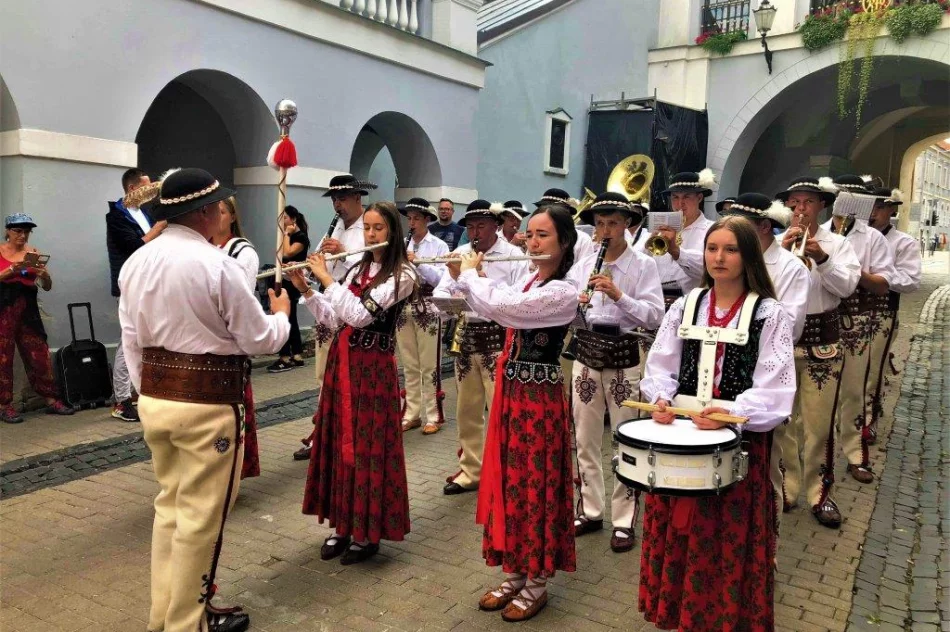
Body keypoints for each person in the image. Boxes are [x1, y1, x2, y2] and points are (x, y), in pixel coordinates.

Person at [119, 168, 291, 632]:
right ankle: (186, 623)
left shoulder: (137, 262)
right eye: (218, 205)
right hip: (209, 406)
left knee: (170, 512)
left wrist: (147, 393)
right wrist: (283, 317)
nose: (221, 212)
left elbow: (130, 341)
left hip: (156, 400)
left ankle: (167, 616)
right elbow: (258, 339)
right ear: (203, 212)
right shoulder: (218, 265)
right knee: (200, 521)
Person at [638, 216, 796, 631]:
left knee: (724, 534)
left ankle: (724, 619)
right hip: (682, 438)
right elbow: (661, 364)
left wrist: (733, 416)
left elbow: (775, 384)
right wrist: (660, 400)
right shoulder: (685, 305)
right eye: (712, 248)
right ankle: (681, 615)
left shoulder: (768, 313)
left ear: (748, 257)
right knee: (681, 532)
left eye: (730, 249)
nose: (719, 258)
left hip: (736, 441)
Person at [447, 205, 578, 623]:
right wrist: (464, 278)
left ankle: (537, 580)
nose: (531, 242)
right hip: (513, 394)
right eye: (530, 235)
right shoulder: (530, 278)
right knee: (512, 483)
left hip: (538, 401)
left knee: (535, 484)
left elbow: (508, 310)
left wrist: (472, 275)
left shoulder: (565, 290)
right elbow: (493, 307)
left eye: (543, 236)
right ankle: (516, 569)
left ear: (564, 243)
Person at [292, 201, 414, 565]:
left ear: (392, 232)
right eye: (369, 228)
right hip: (343, 365)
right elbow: (334, 318)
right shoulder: (359, 268)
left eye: (379, 228)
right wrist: (307, 289)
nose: (372, 234)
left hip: (372, 372)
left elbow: (360, 316)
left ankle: (367, 531)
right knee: (338, 444)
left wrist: (327, 278)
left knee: (366, 448)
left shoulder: (401, 275)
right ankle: (342, 526)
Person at [567, 192, 664, 553]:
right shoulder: (584, 263)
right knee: (584, 437)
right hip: (587, 352)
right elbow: (570, 311)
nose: (605, 231)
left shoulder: (643, 264)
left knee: (625, 439)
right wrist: (575, 306)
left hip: (625, 353)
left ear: (628, 225)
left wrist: (618, 294)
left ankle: (624, 520)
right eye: (600, 224)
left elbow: (655, 316)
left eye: (613, 224)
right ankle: (590, 510)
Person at [720, 193, 810, 535]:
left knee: (767, 464)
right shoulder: (732, 261)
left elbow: (790, 328)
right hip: (724, 372)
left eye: (739, 227)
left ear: (762, 227)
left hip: (763, 373)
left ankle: (766, 544)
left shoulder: (790, 268)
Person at [775, 176, 860, 529]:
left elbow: (846, 287)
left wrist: (821, 258)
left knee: (819, 424)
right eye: (793, 203)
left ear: (821, 205)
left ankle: (819, 492)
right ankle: (787, 488)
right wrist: (782, 250)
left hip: (822, 342)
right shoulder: (776, 246)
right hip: (784, 341)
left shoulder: (839, 244)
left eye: (806, 203)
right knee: (784, 422)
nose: (799, 210)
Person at [434, 200, 530, 495]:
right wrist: (453, 278)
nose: (475, 232)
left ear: (496, 226)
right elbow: (439, 298)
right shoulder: (461, 253)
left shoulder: (514, 255)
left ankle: (503, 471)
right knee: (467, 409)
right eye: (471, 226)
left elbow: (518, 298)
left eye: (481, 226)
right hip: (466, 335)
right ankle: (471, 470)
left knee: (501, 408)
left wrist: (481, 281)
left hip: (499, 336)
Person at [293, 174, 371, 460]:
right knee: (323, 377)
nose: (337, 205)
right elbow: (320, 263)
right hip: (328, 306)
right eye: (335, 200)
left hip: (354, 307)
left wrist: (344, 252)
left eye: (342, 199)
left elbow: (373, 264)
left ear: (357, 198)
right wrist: (309, 268)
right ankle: (323, 434)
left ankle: (345, 436)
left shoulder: (369, 227)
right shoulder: (336, 226)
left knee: (347, 380)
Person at [825, 175, 896, 485]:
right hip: (822, 319)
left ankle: (855, 454)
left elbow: (884, 285)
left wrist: (854, 273)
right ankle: (808, 456)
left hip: (857, 319)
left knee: (853, 390)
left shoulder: (872, 238)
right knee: (814, 395)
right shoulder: (817, 233)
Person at [0, 214, 75, 423]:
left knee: (38, 352)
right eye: (17, 231)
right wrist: (12, 270)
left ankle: (51, 399)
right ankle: (4, 405)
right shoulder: (0, 251)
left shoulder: (33, 253)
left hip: (28, 309)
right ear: (8, 231)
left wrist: (44, 274)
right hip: (3, 308)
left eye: (26, 232)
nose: (22, 236)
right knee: (3, 356)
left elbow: (47, 286)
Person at [106, 168, 166, 422]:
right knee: (127, 341)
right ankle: (121, 399)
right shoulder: (116, 216)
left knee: (147, 339)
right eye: (147, 186)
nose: (152, 190)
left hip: (148, 283)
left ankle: (141, 392)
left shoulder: (144, 213)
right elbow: (135, 247)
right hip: (129, 285)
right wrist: (161, 227)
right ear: (133, 189)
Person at [211, 196, 263, 480]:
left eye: (221, 211)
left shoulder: (242, 251)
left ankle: (233, 472)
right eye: (210, 211)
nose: (214, 217)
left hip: (228, 341)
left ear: (231, 216)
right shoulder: (201, 247)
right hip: (204, 343)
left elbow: (239, 300)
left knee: (230, 412)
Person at [865, 187, 920, 443]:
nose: (872, 213)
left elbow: (910, 281)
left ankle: (868, 420)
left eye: (878, 208)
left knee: (873, 370)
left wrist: (880, 276)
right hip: (845, 312)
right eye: (869, 207)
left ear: (891, 210)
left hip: (882, 311)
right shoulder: (850, 238)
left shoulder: (903, 243)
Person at [397, 198, 449, 435]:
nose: (412, 222)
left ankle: (434, 414)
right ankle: (411, 413)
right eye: (409, 218)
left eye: (416, 218)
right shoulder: (400, 244)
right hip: (404, 305)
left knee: (429, 364)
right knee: (409, 363)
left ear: (427, 220)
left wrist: (418, 263)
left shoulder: (439, 246)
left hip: (428, 306)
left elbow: (442, 279)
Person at [635, 170, 715, 310]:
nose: (680, 204)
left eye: (686, 197)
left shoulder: (712, 230)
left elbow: (708, 269)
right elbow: (635, 263)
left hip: (692, 307)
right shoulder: (662, 227)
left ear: (700, 198)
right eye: (675, 197)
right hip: (658, 304)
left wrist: (676, 251)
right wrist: (648, 244)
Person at [267, 205, 310, 373]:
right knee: (291, 318)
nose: (282, 222)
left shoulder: (300, 237)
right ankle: (297, 354)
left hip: (291, 280)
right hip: (284, 279)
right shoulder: (290, 235)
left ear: (293, 219)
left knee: (285, 316)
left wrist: (286, 234)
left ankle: (285, 357)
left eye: (285, 218)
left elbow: (287, 253)